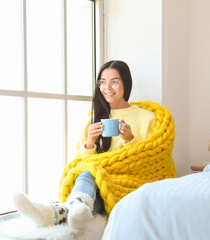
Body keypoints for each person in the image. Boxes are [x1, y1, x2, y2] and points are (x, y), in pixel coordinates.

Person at [14, 60, 156, 232]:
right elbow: (78, 162)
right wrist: (90, 143)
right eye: (102, 82)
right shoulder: (93, 119)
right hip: (95, 183)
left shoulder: (146, 117)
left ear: (126, 82)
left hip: (124, 182)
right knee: (89, 175)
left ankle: (56, 212)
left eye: (114, 81)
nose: (107, 87)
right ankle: (73, 209)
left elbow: (150, 161)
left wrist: (130, 139)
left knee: (91, 176)